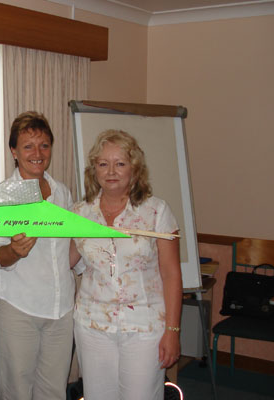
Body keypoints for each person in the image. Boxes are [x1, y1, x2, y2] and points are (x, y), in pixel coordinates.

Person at [70, 129, 182, 400]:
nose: (111, 171)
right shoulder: (80, 213)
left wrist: (173, 331)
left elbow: (171, 274)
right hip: (92, 326)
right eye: (103, 163)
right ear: (94, 169)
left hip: (144, 328)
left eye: (120, 163)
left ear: (135, 168)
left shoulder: (157, 211)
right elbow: (65, 261)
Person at [0, 111, 76, 400]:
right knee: (16, 393)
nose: (37, 153)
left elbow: (66, 253)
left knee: (53, 392)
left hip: (61, 312)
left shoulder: (62, 193)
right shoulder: (0, 197)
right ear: (13, 151)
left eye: (44, 145)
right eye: (28, 146)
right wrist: (13, 251)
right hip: (18, 309)